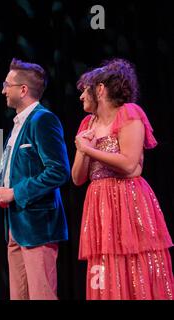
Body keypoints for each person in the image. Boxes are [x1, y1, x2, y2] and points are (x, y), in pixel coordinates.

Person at [72, 58, 174, 300]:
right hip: (99, 202)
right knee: (106, 265)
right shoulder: (88, 123)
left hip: (129, 199)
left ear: (100, 89)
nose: (81, 97)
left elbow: (129, 164)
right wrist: (83, 148)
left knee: (135, 261)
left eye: (85, 90)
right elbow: (77, 178)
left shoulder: (129, 113)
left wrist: (89, 150)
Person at [0, 58, 70, 300]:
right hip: (16, 224)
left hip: (37, 225)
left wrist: (15, 192)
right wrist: (3, 191)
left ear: (23, 90)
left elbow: (58, 171)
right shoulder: (19, 123)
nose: (3, 89)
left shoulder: (43, 120)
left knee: (41, 295)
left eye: (7, 84)